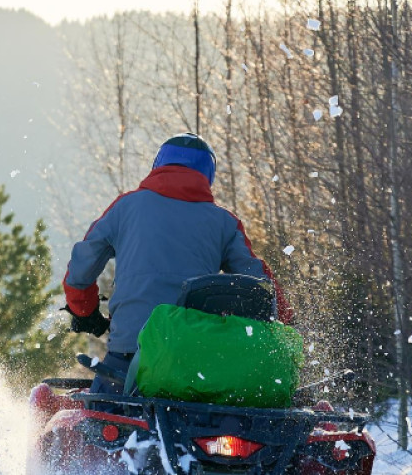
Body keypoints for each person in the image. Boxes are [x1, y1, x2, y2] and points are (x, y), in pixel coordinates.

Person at [63, 132, 293, 395]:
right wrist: (286, 325)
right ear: (209, 174)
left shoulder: (126, 207)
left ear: (158, 165)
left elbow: (80, 270)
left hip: (128, 358)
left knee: (100, 424)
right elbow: (263, 287)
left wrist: (85, 313)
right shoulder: (224, 223)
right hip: (195, 362)